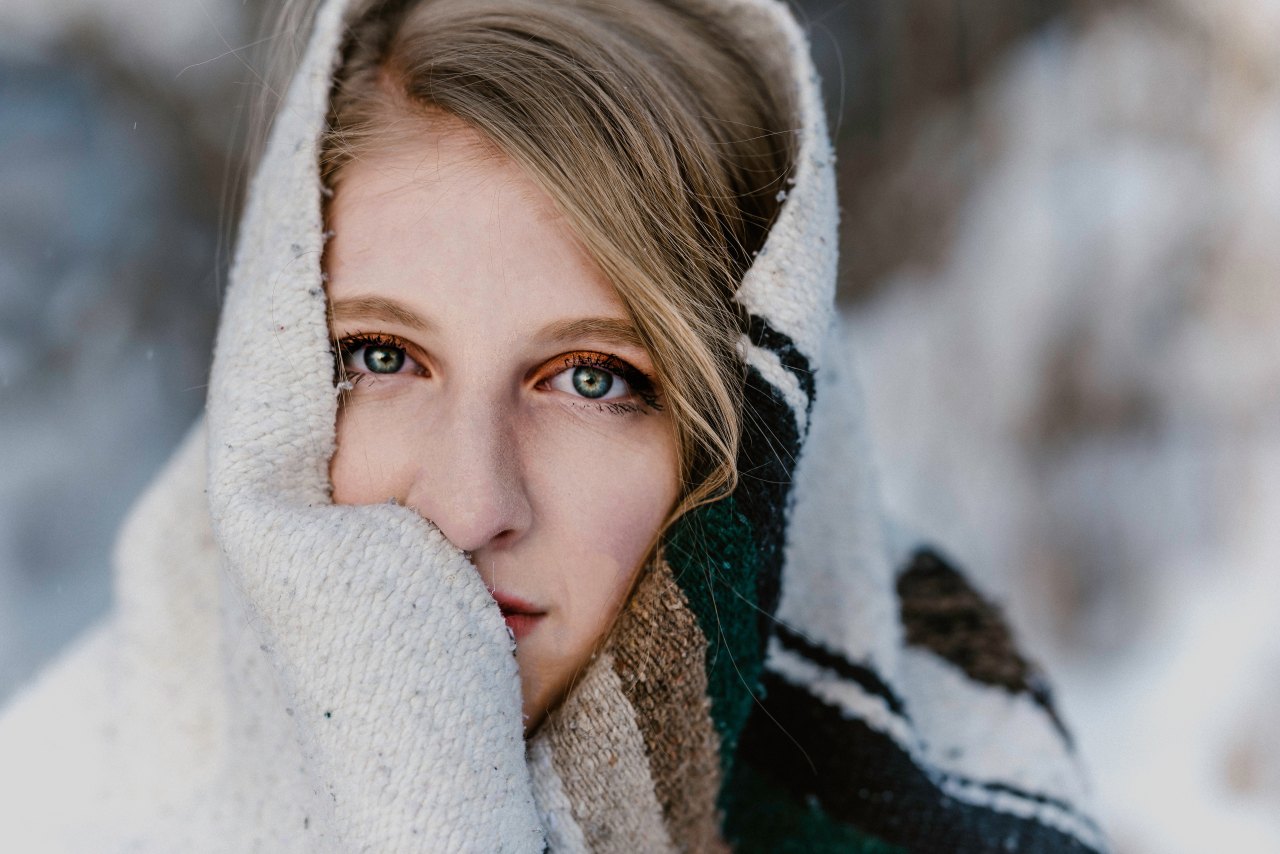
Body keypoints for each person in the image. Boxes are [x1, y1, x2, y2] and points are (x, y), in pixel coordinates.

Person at [0, 0, 1107, 851]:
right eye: (380, 356)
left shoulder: (952, 795)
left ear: (745, 440)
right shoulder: (55, 806)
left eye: (592, 378)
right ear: (274, 371)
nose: (472, 505)